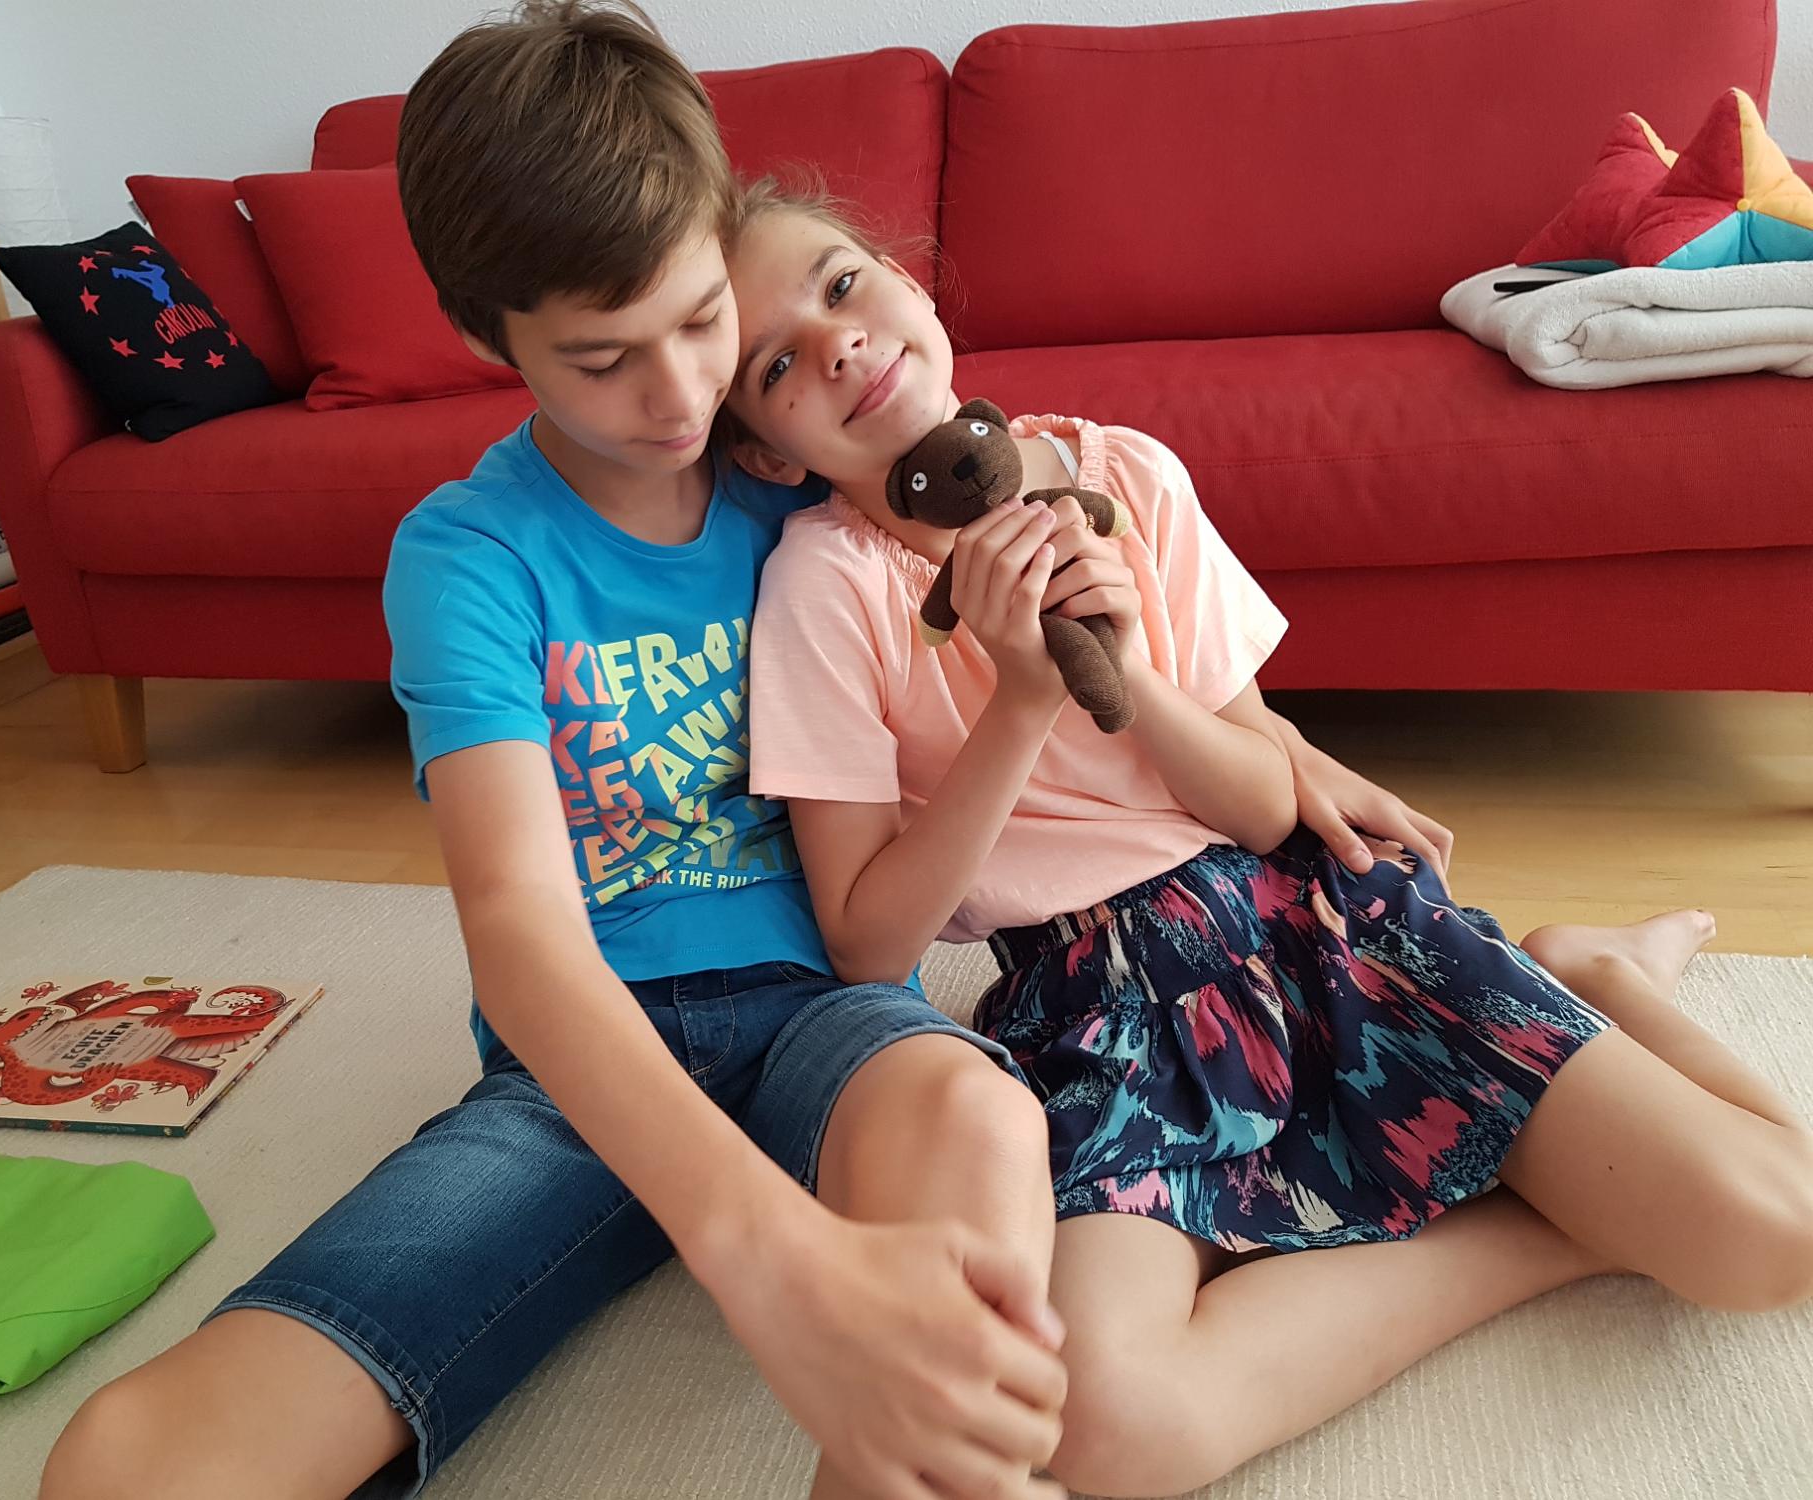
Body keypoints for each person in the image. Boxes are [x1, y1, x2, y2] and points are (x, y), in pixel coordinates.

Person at [38, 9, 1073, 1500]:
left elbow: (1028, 492)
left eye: (704, 322)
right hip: (583, 1063)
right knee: (125, 1466)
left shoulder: (795, 468)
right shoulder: (468, 558)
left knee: (978, 1139)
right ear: (486, 338)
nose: (679, 398)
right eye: (601, 359)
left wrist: (1262, 745)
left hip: (836, 1015)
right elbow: (521, 934)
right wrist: (759, 1245)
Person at [724, 180, 1813, 1498]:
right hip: (1104, 1002)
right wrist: (1018, 705)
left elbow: (1259, 799)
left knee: (1776, 1233)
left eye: (844, 285)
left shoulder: (1130, 476)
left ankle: (1597, 977)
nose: (837, 343)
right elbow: (866, 939)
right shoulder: (824, 587)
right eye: (776, 364)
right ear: (768, 454)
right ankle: (1558, 1225)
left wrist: (1133, 674)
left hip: (1319, 923)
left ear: (914, 288)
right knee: (1102, 1426)